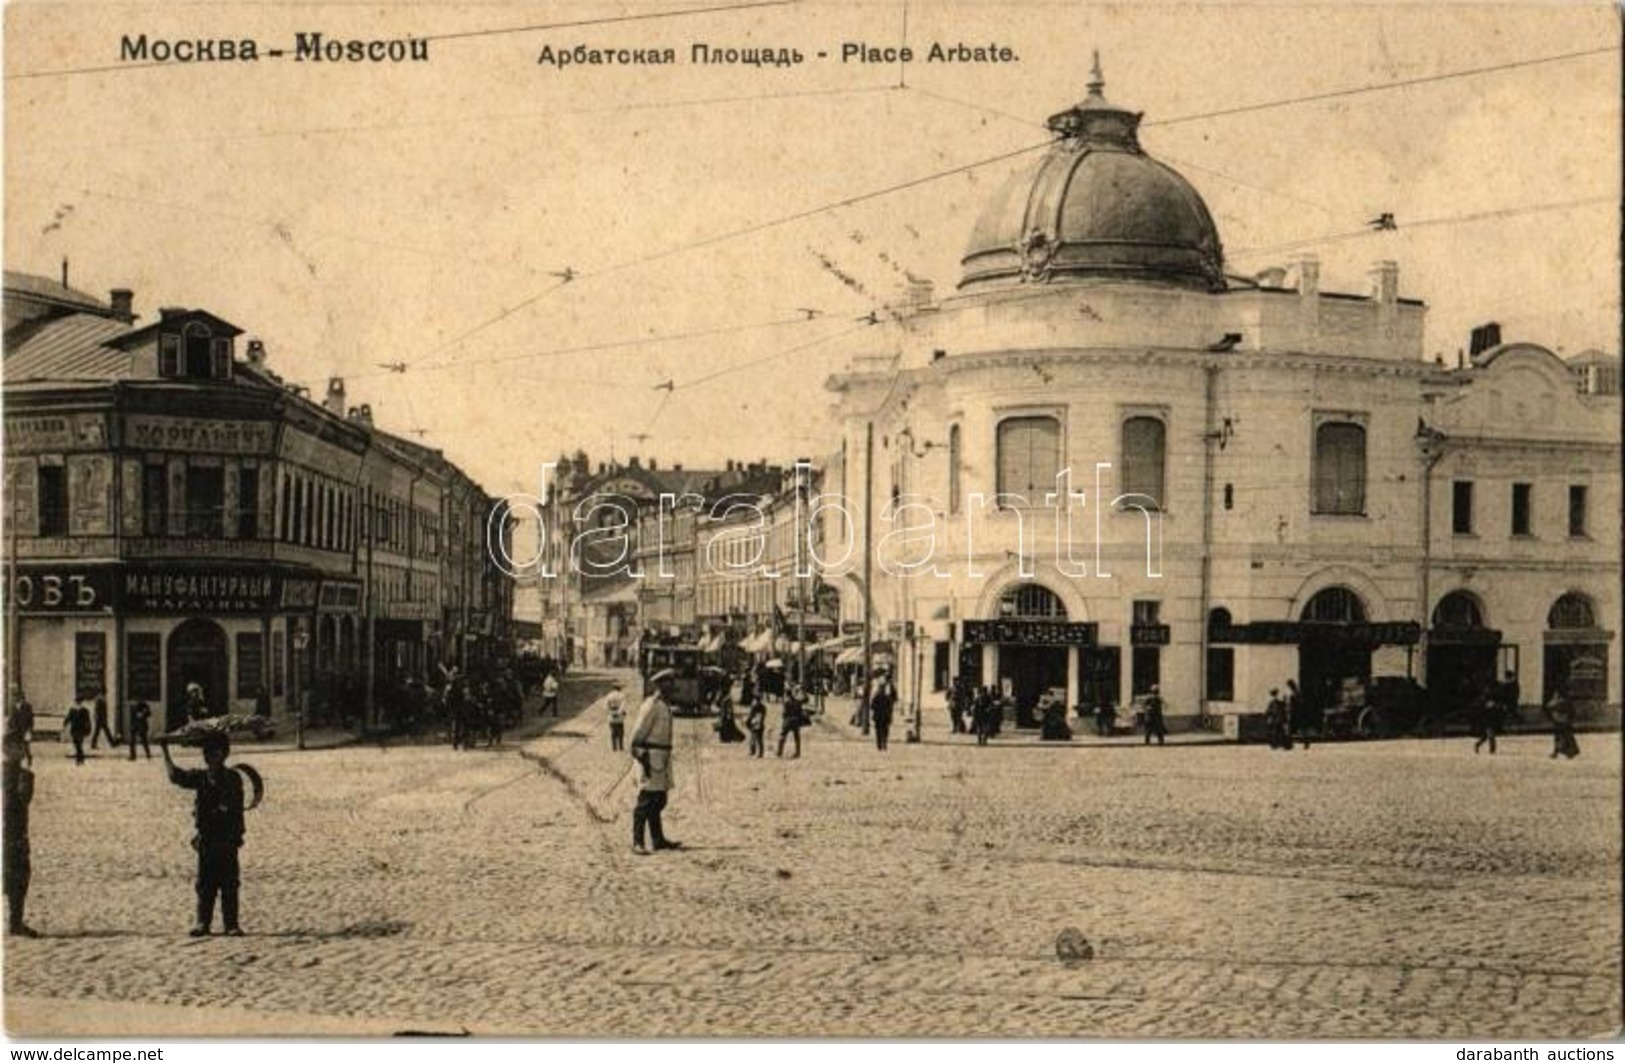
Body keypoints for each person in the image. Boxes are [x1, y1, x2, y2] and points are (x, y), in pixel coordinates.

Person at [162, 730, 246, 936]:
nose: (208, 756)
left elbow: (236, 809)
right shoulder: (200, 777)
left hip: (227, 840)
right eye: (206, 752)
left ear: (224, 754)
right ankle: (203, 922)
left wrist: (235, 832)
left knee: (229, 883)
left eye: (213, 752)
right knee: (205, 883)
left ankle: (231, 924)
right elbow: (176, 776)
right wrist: (164, 750)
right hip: (207, 840)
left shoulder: (233, 779)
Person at [629, 670, 680, 854]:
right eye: (670, 684)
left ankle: (658, 839)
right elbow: (636, 736)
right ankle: (637, 841)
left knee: (659, 800)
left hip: (662, 758)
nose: (673, 687)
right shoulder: (651, 705)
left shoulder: (664, 705)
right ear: (661, 685)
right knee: (646, 801)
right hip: (650, 758)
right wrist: (641, 755)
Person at [3, 733, 37, 937]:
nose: (22, 751)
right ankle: (15, 922)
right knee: (18, 875)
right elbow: (23, 798)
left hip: (15, 834)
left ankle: (16, 921)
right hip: (13, 835)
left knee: (19, 876)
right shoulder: (22, 776)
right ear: (7, 749)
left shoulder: (24, 775)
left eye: (23, 747)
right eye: (18, 747)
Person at [1544, 691, 1580, 760]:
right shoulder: (1565, 702)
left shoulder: (1560, 702)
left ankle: (1563, 752)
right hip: (1562, 721)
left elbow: (1549, 706)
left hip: (1561, 722)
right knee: (1563, 737)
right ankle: (1563, 752)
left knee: (1562, 737)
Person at [777, 683, 808, 758]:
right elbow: (805, 700)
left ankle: (779, 752)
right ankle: (797, 752)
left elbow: (784, 713)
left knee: (782, 735)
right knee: (796, 737)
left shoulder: (786, 702)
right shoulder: (797, 701)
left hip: (788, 720)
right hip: (796, 720)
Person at [870, 669, 897, 752]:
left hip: (880, 715)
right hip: (885, 714)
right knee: (884, 729)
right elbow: (894, 699)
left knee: (880, 730)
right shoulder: (886, 696)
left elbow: (872, 706)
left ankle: (880, 744)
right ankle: (883, 744)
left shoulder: (877, 696)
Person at [6, 690, 34, 767]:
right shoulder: (14, 707)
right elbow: (12, 719)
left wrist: (30, 730)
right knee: (18, 746)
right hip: (16, 731)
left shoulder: (28, 706)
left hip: (24, 730)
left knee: (26, 746)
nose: (16, 699)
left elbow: (30, 719)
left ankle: (29, 759)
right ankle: (18, 761)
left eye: (18, 697)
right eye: (15, 698)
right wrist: (9, 727)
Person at [1472, 687, 1500, 755]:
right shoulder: (1482, 700)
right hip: (1485, 721)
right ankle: (1492, 750)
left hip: (1488, 721)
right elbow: (1480, 710)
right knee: (1490, 736)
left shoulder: (1491, 699)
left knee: (1485, 737)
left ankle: (1477, 745)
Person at [64, 701, 91, 765]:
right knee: (78, 744)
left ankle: (79, 759)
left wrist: (65, 723)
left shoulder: (76, 710)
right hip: (78, 730)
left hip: (77, 730)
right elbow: (87, 721)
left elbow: (68, 718)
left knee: (78, 745)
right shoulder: (82, 710)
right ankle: (81, 758)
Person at [1285, 679, 1309, 751]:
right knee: (1297, 729)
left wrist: (1289, 710)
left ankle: (1290, 744)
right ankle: (1290, 744)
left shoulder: (1294, 694)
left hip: (1294, 714)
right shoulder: (1297, 693)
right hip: (1296, 714)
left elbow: (1293, 705)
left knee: (1291, 729)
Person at [606, 681, 627, 751]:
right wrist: (619, 712)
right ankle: (621, 746)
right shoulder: (622, 695)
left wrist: (610, 712)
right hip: (619, 716)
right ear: (619, 688)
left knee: (613, 731)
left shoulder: (609, 695)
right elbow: (623, 706)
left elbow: (606, 705)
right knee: (620, 731)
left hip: (611, 714)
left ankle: (614, 747)